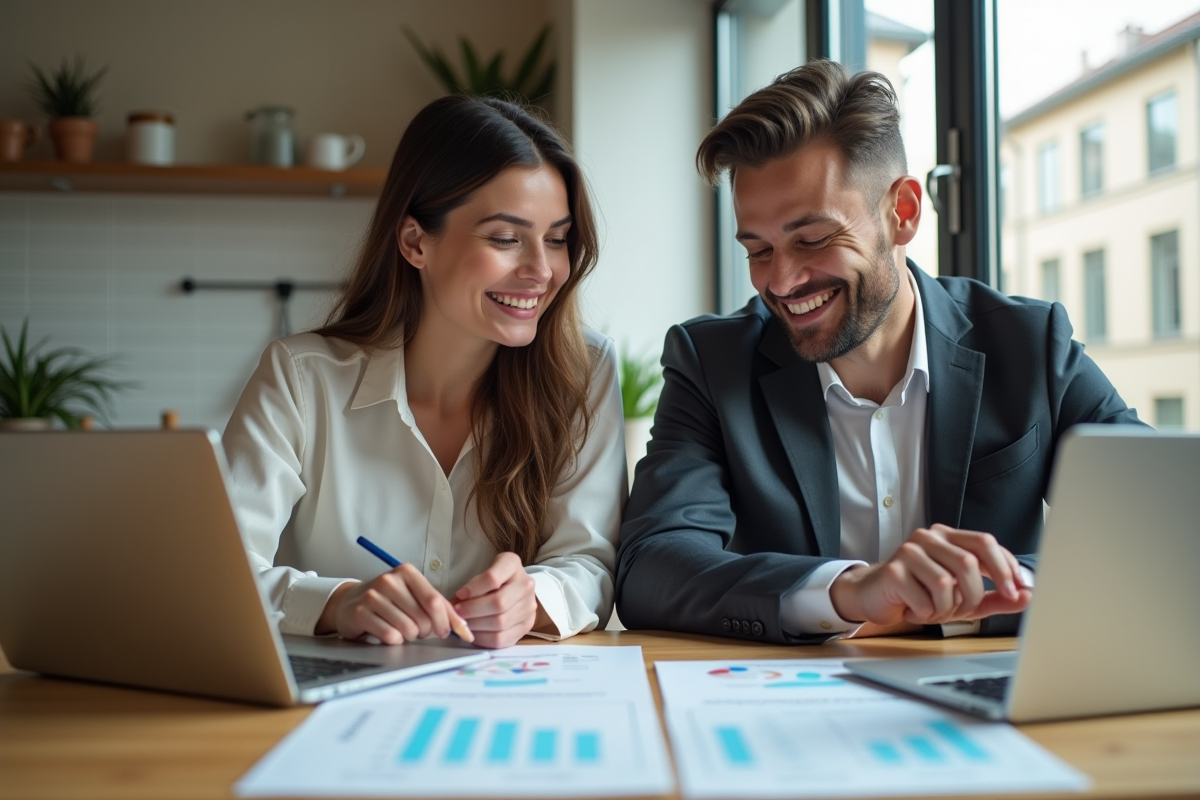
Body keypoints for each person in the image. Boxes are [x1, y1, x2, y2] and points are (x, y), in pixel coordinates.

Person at [616, 60, 1145, 644]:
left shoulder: (1029, 345)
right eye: (758, 250)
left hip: (993, 698)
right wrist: (850, 592)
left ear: (904, 212)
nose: (783, 281)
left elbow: (1163, 528)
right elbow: (652, 567)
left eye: (813, 239)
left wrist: (965, 597)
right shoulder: (710, 363)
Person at [223, 96, 626, 650]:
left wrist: (531, 599)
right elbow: (221, 573)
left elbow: (590, 562)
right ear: (415, 242)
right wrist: (339, 603)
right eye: (506, 239)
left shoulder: (585, 371)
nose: (542, 270)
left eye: (556, 239)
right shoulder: (300, 378)